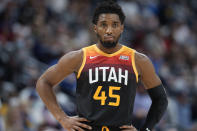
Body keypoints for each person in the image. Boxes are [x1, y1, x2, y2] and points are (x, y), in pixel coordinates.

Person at [36, 0, 168, 131]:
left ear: (122, 27)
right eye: (103, 25)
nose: (109, 30)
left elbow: (160, 99)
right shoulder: (79, 57)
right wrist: (62, 118)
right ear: (95, 28)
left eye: (115, 25)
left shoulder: (137, 60)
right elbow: (43, 82)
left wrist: (146, 129)